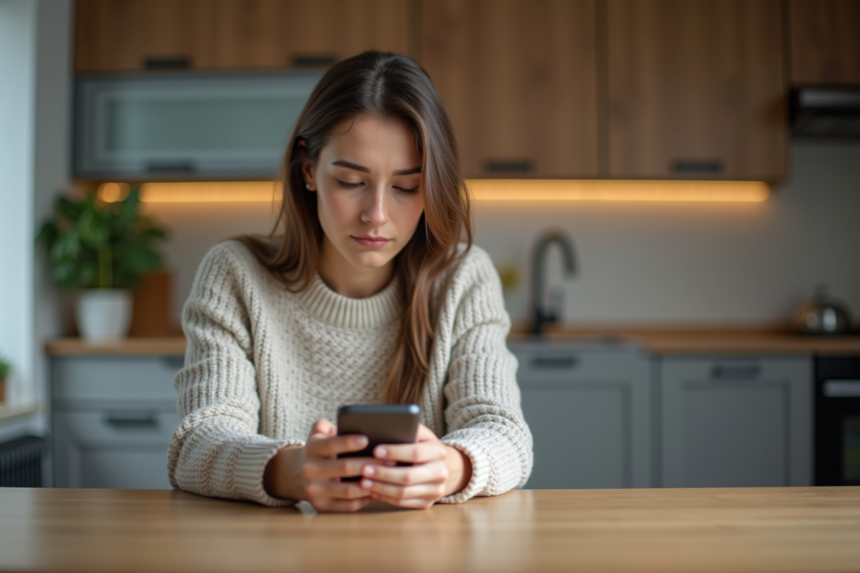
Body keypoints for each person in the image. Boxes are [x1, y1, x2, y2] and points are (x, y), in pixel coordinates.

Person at [167, 51, 533, 512]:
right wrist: (293, 472)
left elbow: (505, 434)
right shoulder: (235, 276)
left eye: (406, 187)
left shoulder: (462, 279)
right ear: (308, 172)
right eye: (350, 181)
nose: (376, 215)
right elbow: (197, 443)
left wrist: (450, 466)